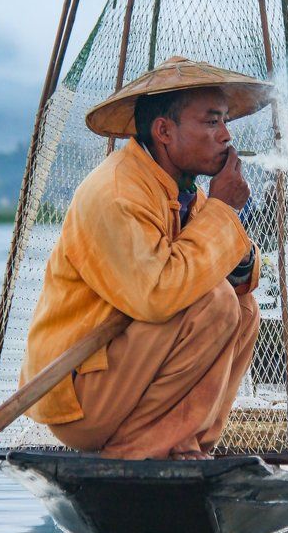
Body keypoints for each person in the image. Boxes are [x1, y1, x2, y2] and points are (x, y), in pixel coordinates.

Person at [19, 56, 272, 460]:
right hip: (81, 393)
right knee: (216, 304)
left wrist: (228, 229)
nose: (226, 136)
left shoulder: (181, 189)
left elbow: (236, 275)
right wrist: (224, 213)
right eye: (211, 122)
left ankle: (187, 443)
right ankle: (141, 449)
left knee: (243, 308)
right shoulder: (118, 193)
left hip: (123, 380)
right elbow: (158, 294)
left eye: (226, 121)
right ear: (164, 131)